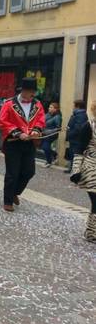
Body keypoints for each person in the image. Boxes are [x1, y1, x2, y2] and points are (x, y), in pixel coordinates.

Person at [0, 77, 45, 212]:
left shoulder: (37, 104)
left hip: (29, 143)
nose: (32, 95)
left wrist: (36, 130)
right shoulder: (9, 104)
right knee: (12, 172)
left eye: (33, 92)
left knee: (29, 171)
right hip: (13, 143)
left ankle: (14, 192)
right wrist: (18, 133)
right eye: (30, 92)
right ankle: (7, 201)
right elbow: (2, 121)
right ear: (23, 91)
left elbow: (41, 120)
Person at [69, 100, 96, 243]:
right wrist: (76, 170)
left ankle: (91, 232)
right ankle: (92, 232)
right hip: (91, 167)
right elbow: (79, 149)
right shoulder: (89, 126)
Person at [65, 100, 88, 173]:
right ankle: (71, 169)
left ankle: (74, 171)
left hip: (76, 139)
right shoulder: (77, 114)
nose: (73, 107)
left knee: (75, 155)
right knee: (72, 154)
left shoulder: (81, 115)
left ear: (77, 106)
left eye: (74, 105)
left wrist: (69, 134)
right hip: (74, 139)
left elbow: (78, 128)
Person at [42, 102, 62, 167]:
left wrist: (49, 131)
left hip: (51, 135)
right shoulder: (47, 114)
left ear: (55, 109)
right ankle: (54, 155)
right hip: (44, 133)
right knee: (44, 147)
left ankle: (49, 161)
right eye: (49, 107)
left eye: (51, 107)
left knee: (45, 147)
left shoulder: (57, 117)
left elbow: (58, 128)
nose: (49, 108)